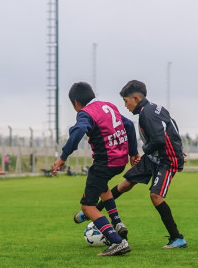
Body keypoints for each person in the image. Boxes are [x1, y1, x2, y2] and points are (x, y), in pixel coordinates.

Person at [87, 80, 188, 249]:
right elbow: (172, 125)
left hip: (166, 160)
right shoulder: (155, 108)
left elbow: (158, 139)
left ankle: (177, 238)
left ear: (135, 98)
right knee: (126, 184)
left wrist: (146, 149)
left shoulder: (147, 113)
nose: (125, 105)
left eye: (126, 101)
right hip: (155, 157)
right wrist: (177, 147)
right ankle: (94, 209)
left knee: (155, 196)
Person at [53, 82, 138, 256]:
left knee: (87, 206)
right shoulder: (108, 106)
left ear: (76, 102)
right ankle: (117, 223)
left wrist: (63, 157)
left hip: (104, 163)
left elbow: (79, 131)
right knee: (102, 187)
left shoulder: (86, 113)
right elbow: (129, 124)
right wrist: (133, 153)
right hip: (119, 161)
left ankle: (117, 241)